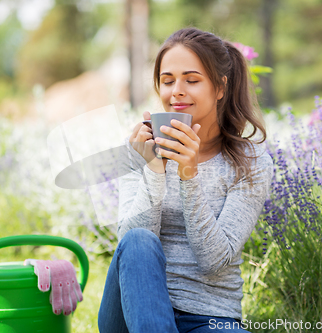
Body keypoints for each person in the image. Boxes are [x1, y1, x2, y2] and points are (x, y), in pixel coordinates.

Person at [98, 27, 273, 333]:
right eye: (167, 81)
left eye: (191, 80)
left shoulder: (250, 162)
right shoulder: (138, 149)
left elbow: (214, 262)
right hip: (132, 312)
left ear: (220, 87)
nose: (176, 91)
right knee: (139, 240)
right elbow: (130, 244)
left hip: (209, 318)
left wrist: (188, 175)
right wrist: (154, 167)